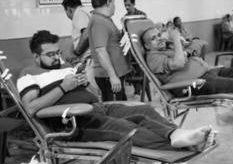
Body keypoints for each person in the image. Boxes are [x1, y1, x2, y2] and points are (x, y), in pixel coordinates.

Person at [17, 30, 216, 151]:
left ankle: (176, 134)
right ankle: (188, 145)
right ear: (36, 57)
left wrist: (87, 81)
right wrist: (63, 87)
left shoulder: (66, 68)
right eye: (50, 55)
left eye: (58, 53)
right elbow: (31, 108)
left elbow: (93, 93)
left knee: (143, 111)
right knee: (125, 129)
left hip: (97, 107)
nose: (56, 58)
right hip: (74, 121)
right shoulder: (29, 75)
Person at [88, 0, 131, 101]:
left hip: (115, 74)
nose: (115, 5)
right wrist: (112, 76)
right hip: (108, 77)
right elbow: (100, 51)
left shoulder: (105, 20)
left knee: (122, 108)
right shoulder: (99, 22)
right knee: (115, 111)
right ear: (108, 2)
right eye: (114, 2)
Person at [61, 0, 100, 97]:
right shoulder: (85, 12)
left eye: (66, 12)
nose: (67, 15)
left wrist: (76, 53)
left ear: (69, 9)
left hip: (90, 59)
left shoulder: (78, 13)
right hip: (92, 58)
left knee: (93, 91)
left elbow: (86, 34)